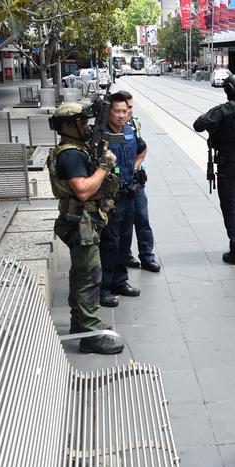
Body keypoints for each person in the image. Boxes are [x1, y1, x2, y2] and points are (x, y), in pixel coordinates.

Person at [48, 102, 124, 355]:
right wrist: (104, 167)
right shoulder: (70, 155)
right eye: (80, 122)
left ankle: (81, 325)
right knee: (90, 278)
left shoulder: (77, 149)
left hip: (85, 221)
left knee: (81, 274)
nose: (86, 125)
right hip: (82, 222)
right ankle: (91, 334)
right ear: (66, 127)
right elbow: (82, 190)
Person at [193, 74, 235, 265]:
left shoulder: (223, 110)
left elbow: (198, 125)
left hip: (228, 164)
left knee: (230, 206)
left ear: (227, 90)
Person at [98, 92, 147, 307]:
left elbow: (142, 149)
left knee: (125, 241)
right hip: (109, 199)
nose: (121, 115)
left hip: (129, 194)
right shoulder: (100, 135)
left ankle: (121, 281)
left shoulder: (129, 130)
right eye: (117, 111)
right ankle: (105, 287)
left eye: (125, 111)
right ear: (108, 112)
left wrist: (136, 168)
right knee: (109, 243)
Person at [118, 90, 161, 272]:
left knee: (142, 219)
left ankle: (147, 256)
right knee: (121, 224)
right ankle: (124, 255)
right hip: (117, 182)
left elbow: (142, 148)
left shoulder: (134, 124)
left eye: (130, 107)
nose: (128, 111)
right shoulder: (109, 128)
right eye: (124, 108)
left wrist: (136, 166)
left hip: (135, 180)